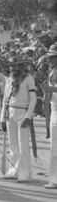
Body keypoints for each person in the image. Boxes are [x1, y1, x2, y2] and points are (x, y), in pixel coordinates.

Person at [0, 56, 36, 182]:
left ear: (21, 66)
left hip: (23, 113)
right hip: (10, 112)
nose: (12, 68)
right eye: (11, 66)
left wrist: (28, 116)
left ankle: (25, 174)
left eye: (15, 66)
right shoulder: (9, 79)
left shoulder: (28, 78)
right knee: (13, 144)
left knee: (23, 145)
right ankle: (13, 171)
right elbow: (5, 99)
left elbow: (33, 99)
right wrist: (2, 119)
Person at [42, 50, 57, 189]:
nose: (50, 60)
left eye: (53, 58)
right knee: (54, 147)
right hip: (54, 110)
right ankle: (54, 179)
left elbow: (53, 89)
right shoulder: (52, 72)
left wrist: (51, 89)